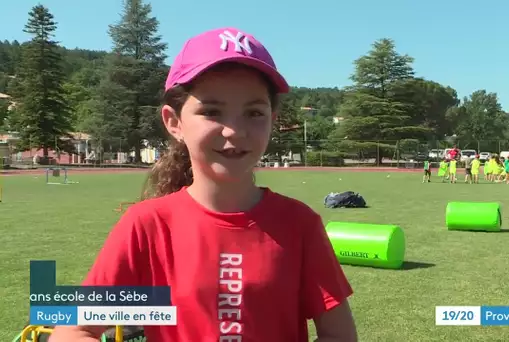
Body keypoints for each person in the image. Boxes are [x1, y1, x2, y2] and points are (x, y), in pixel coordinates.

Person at [49, 28, 357, 342]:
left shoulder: (300, 224)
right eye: (211, 112)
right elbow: (73, 331)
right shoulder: (146, 225)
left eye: (253, 113)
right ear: (174, 122)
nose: (234, 132)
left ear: (272, 120)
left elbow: (340, 335)